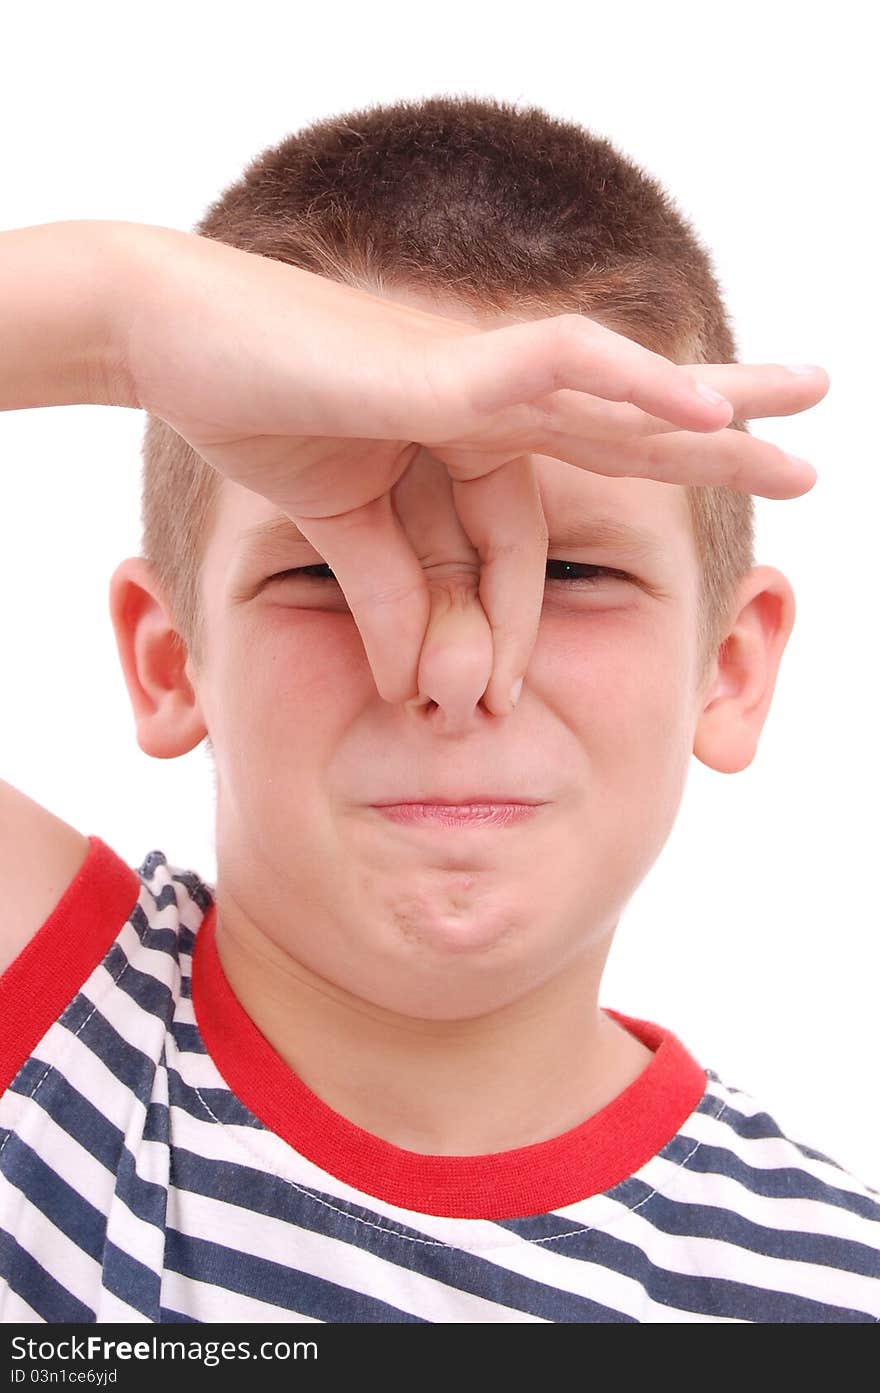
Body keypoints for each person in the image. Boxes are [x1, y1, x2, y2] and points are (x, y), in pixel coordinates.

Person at [0, 94, 876, 1325]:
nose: (457, 662)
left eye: (573, 575)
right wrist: (118, 317)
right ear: (167, 658)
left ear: (729, 668)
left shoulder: (832, 1298)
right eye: (322, 573)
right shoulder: (39, 1027)